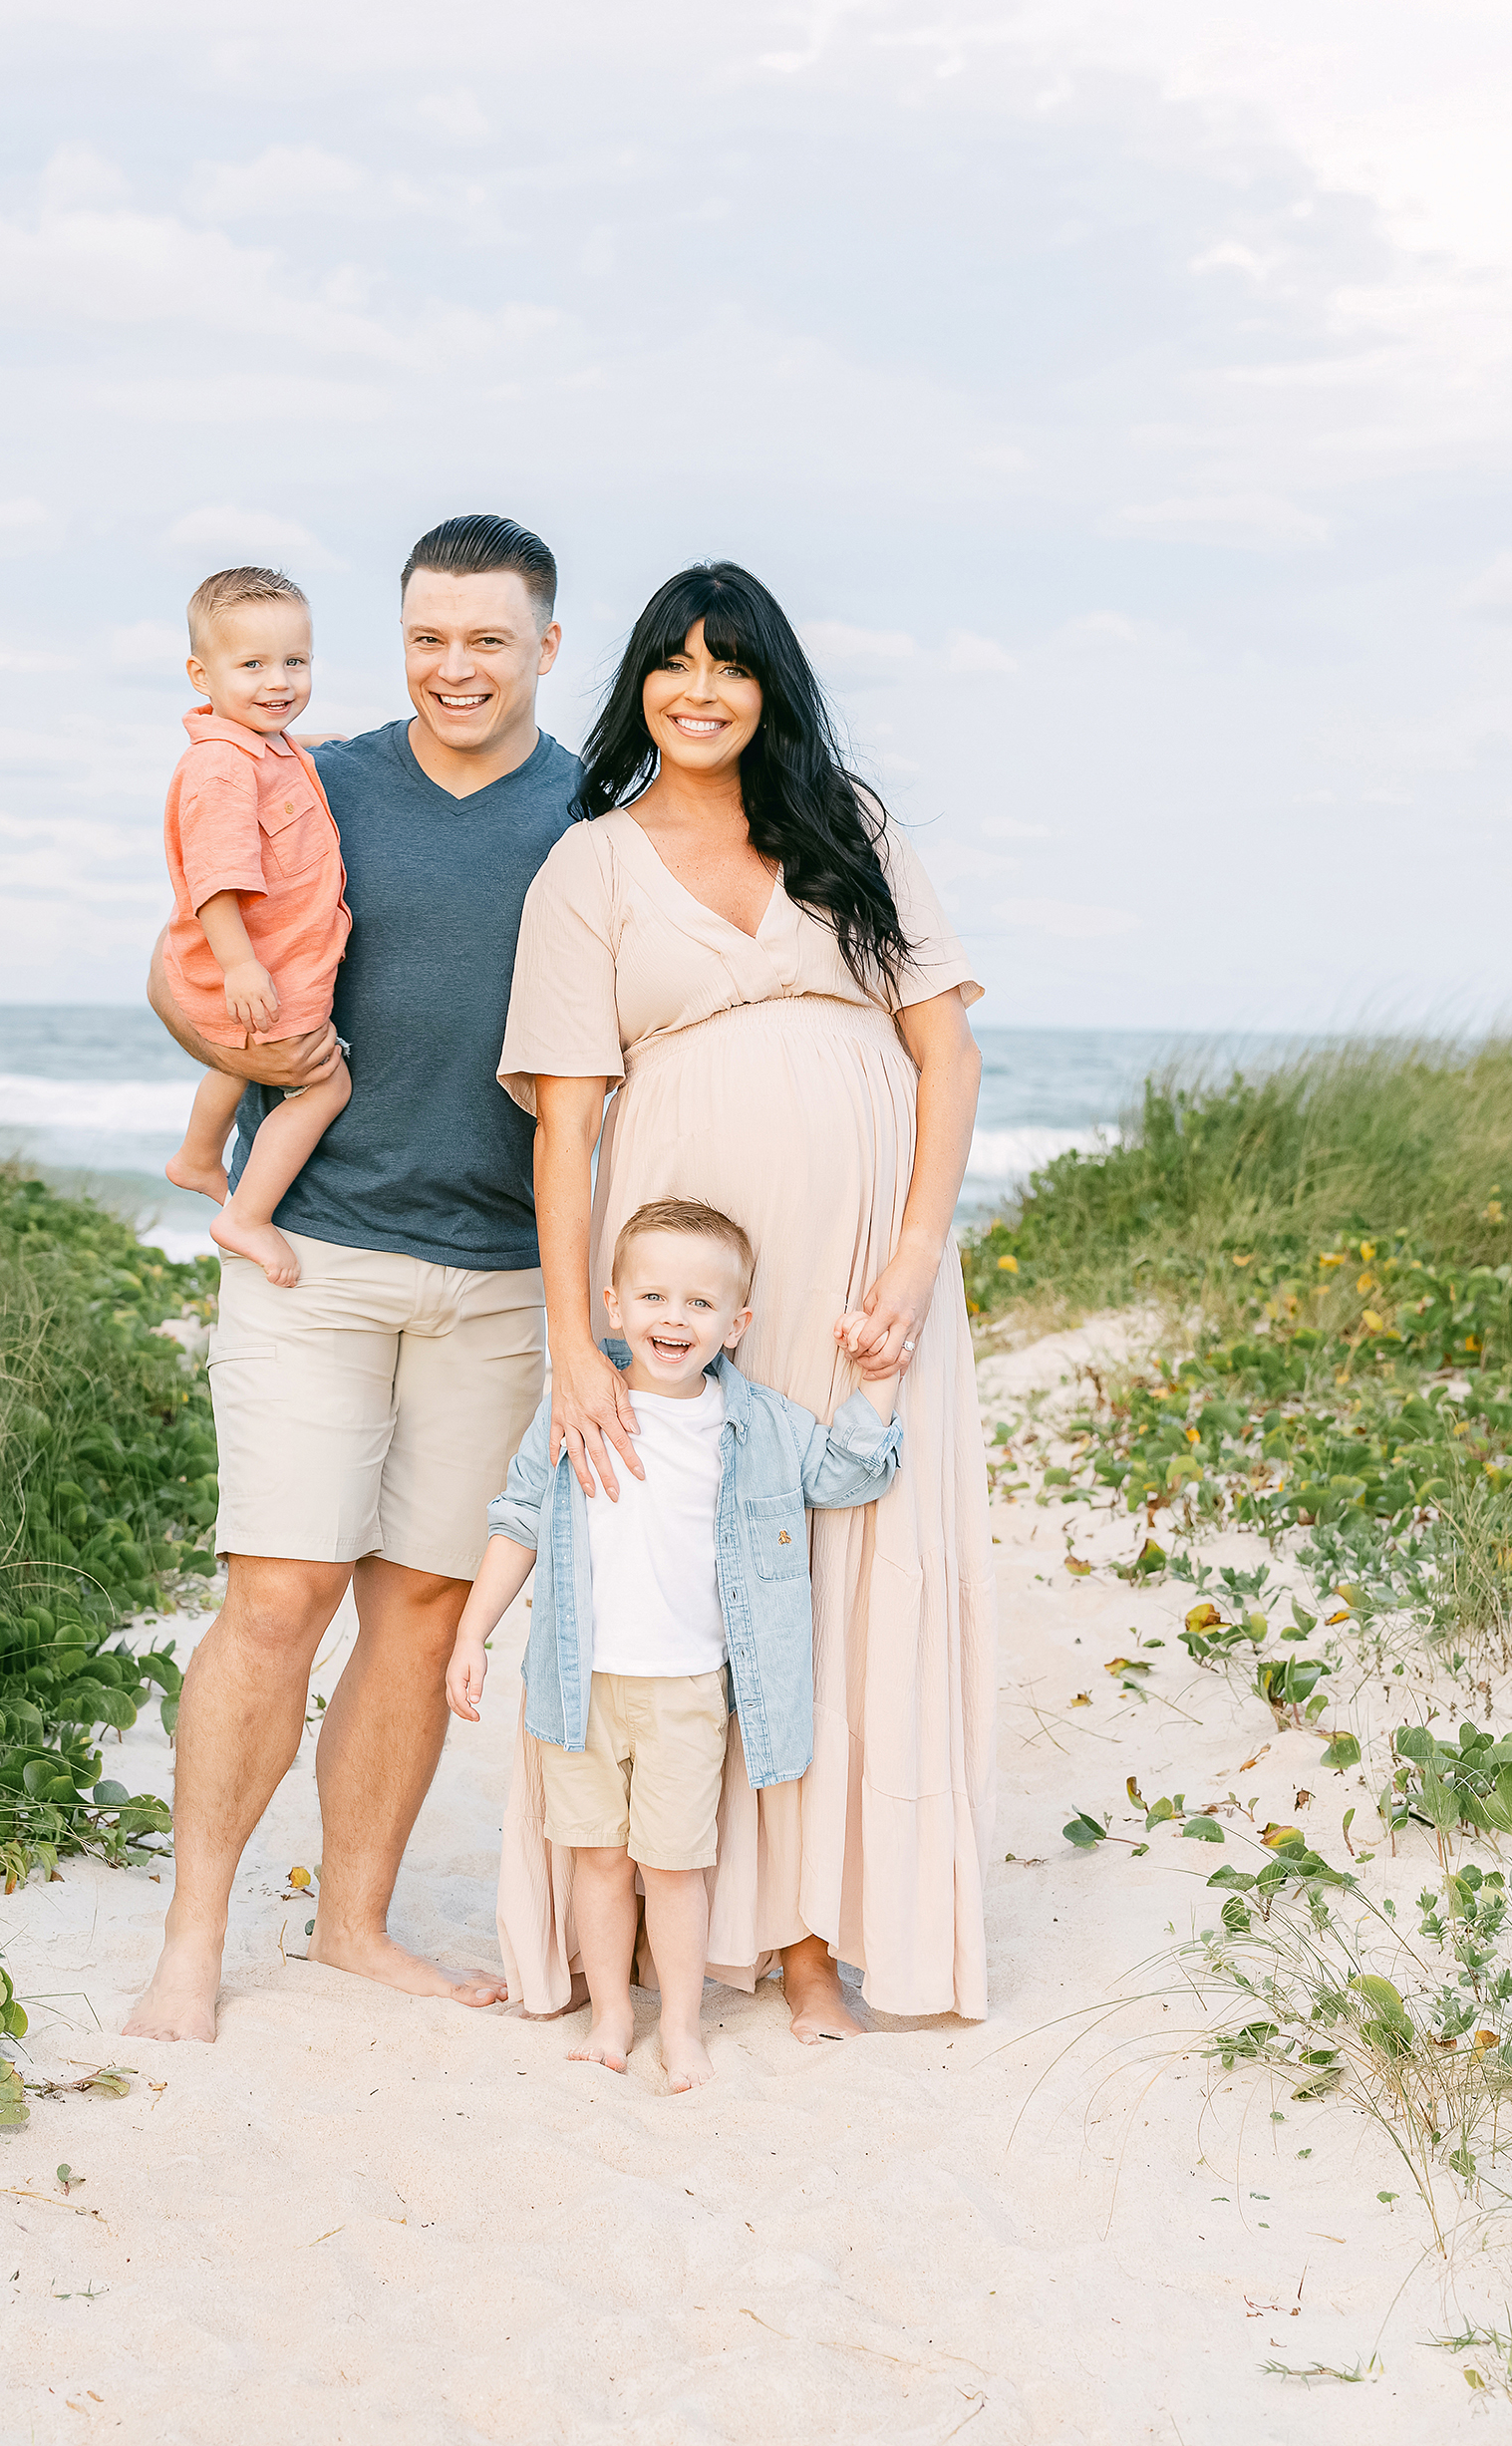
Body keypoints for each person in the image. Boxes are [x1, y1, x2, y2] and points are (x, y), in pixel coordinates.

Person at [495, 561, 994, 2035]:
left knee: (852, 1561)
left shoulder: (851, 828)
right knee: (697, 1574)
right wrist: (573, 1345)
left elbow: (945, 1060)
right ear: (637, 682)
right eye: (672, 662)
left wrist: (910, 1255)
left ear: (772, 686)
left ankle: (813, 1941)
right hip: (679, 1275)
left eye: (730, 665)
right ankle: (687, 1939)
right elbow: (567, 1124)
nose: (697, 690)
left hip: (860, 1264)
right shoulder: (589, 865)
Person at [126, 512, 580, 2042]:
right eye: (429, 638)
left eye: (488, 640)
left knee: (421, 1611)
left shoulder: (598, 820)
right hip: (313, 1252)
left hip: (508, 1276)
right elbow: (176, 962)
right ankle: (195, 1941)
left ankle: (354, 1926)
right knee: (278, 1594)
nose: (456, 667)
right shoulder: (307, 776)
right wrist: (228, 1046)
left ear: (546, 648)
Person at [447, 1198, 903, 2090]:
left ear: (735, 1325)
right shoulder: (576, 1406)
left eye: (699, 1305)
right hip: (575, 1686)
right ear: (611, 1305)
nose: (673, 1318)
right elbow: (518, 1521)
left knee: (675, 1864)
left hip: (687, 1690)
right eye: (653, 1296)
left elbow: (848, 1474)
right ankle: (615, 2012)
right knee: (599, 1860)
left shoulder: (758, 1425)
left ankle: (682, 2027)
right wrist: (473, 1632)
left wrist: (876, 1375)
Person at [157, 566, 354, 1288]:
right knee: (322, 1084)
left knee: (231, 1057)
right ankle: (247, 1214)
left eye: (294, 662)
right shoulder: (220, 769)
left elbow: (291, 757)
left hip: (265, 962)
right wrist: (241, 967)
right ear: (200, 675)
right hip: (259, 966)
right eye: (253, 666)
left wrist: (317, 748)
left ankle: (197, 1156)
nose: (279, 682)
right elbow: (216, 881)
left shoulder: (266, 746)